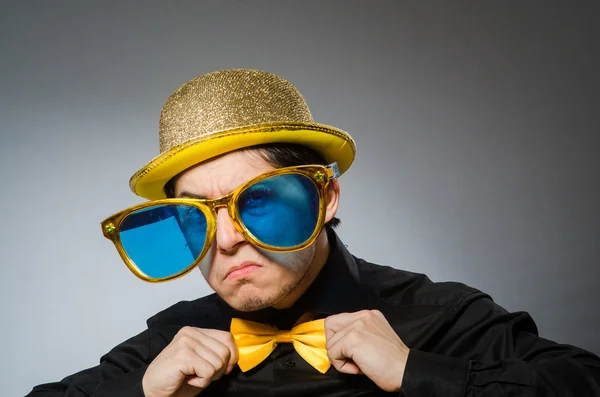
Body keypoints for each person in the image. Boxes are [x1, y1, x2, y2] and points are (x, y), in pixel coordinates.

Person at [28, 69, 600, 397]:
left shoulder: (442, 316)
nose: (225, 241)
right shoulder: (170, 340)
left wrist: (417, 373)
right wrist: (140, 394)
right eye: (197, 215)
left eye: (258, 202)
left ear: (324, 198)